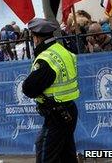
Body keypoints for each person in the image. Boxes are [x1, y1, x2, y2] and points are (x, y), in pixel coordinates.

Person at [22, 18, 79, 163]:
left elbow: (29, 88)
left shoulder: (47, 58)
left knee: (45, 154)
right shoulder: (62, 50)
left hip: (56, 114)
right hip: (68, 109)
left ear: (36, 38)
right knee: (67, 154)